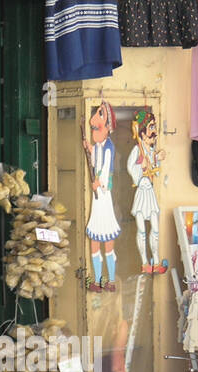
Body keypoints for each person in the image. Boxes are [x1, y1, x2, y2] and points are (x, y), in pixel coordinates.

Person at [84, 101, 121, 291]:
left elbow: (106, 169)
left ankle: (111, 280)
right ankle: (98, 280)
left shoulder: (108, 148)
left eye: (100, 115)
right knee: (95, 241)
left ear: (108, 126)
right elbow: (95, 160)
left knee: (107, 241)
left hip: (104, 198)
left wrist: (99, 183)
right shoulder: (98, 146)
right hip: (97, 200)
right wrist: (90, 149)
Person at [127, 109, 167, 273]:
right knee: (142, 230)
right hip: (141, 191)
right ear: (142, 133)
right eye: (150, 128)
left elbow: (155, 172)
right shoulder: (138, 150)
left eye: (154, 128)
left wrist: (157, 159)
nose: (153, 132)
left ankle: (156, 261)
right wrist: (140, 167)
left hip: (150, 191)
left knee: (155, 229)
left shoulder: (150, 151)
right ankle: (145, 262)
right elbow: (130, 167)